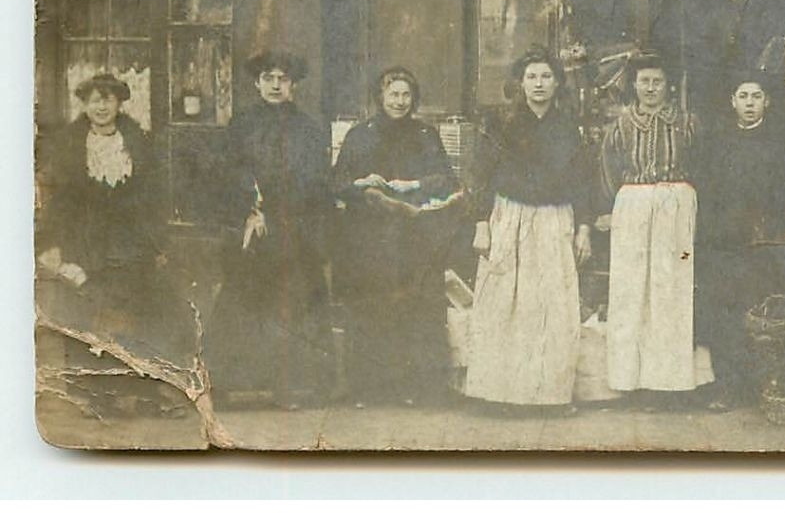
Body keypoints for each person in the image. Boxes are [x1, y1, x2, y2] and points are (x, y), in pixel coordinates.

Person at [462, 51, 594, 411]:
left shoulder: (568, 127)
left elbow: (583, 181)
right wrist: (481, 225)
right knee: (505, 303)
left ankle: (550, 396)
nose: (539, 84)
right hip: (510, 217)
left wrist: (584, 229)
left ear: (557, 83)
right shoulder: (501, 123)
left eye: (546, 77)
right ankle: (499, 394)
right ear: (520, 83)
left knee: (553, 306)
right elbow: (481, 177)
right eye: (532, 77)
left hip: (554, 219)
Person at [204, 51, 333, 408]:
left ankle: (289, 387)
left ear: (294, 84)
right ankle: (228, 383)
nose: (276, 85)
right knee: (243, 303)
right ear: (256, 83)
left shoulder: (309, 129)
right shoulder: (241, 125)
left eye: (283, 79)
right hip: (253, 229)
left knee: (292, 304)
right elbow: (228, 171)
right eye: (268, 78)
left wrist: (277, 212)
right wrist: (251, 204)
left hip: (294, 228)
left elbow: (315, 180)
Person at [330, 67, 460, 406]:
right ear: (381, 97)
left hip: (414, 237)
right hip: (370, 239)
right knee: (372, 309)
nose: (400, 102)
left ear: (413, 99)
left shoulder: (425, 134)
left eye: (406, 95)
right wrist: (364, 183)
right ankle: (367, 389)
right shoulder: (361, 134)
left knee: (414, 309)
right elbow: (337, 183)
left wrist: (414, 184)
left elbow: (446, 179)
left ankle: (414, 390)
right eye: (393, 95)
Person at [599, 53, 713, 400]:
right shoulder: (619, 126)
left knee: (671, 290)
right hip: (633, 205)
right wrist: (610, 209)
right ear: (633, 85)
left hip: (675, 206)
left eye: (658, 81)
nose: (651, 88)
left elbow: (702, 165)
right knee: (631, 290)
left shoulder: (687, 122)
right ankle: (630, 381)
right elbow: (607, 170)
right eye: (644, 81)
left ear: (669, 85)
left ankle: (671, 382)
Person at [36, 74, 176, 355]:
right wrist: (53, 243)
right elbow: (60, 200)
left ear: (119, 103)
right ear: (85, 105)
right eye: (94, 100)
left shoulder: (137, 143)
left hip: (129, 240)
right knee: (84, 310)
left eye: (108, 100)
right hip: (84, 238)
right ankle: (88, 386)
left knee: (130, 312)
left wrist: (155, 240)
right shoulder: (69, 145)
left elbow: (153, 196)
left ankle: (128, 379)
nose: (101, 107)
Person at [693, 72, 785, 411]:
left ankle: (767, 386)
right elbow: (709, 192)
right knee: (726, 313)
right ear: (732, 101)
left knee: (766, 314)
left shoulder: (784, 142)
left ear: (766, 102)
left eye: (756, 96)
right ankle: (730, 387)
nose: (749, 103)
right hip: (729, 243)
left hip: (767, 242)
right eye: (743, 96)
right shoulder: (719, 142)